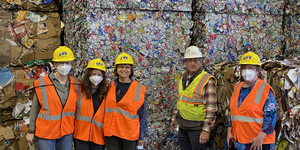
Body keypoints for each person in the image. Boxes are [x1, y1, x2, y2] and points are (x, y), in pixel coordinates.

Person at [26, 46, 82, 150]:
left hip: (66, 132)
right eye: (61, 63)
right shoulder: (42, 83)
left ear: (71, 64)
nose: (64, 66)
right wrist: (31, 131)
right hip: (45, 133)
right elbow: (34, 109)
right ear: (55, 64)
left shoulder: (77, 84)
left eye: (67, 63)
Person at [227, 52, 277, 150]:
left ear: (258, 71)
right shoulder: (237, 88)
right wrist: (229, 132)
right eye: (244, 68)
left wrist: (259, 138)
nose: (246, 71)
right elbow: (233, 114)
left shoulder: (265, 89)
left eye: (250, 68)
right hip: (239, 141)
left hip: (258, 143)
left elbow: (271, 118)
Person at [170, 46, 217, 150]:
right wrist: (174, 117)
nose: (192, 63)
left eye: (196, 60)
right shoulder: (183, 78)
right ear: (185, 62)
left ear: (201, 62)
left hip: (197, 129)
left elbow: (211, 109)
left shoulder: (207, 80)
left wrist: (206, 131)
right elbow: (181, 100)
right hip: (182, 127)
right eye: (189, 60)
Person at [103, 53, 148, 150]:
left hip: (129, 134)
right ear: (116, 69)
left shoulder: (138, 89)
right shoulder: (109, 86)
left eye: (127, 67)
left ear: (131, 70)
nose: (124, 70)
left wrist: (141, 135)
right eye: (121, 67)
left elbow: (142, 113)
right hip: (112, 133)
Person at [73, 58, 108, 150]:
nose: (96, 77)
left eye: (99, 74)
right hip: (81, 135)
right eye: (94, 74)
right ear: (88, 75)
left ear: (103, 76)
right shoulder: (80, 90)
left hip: (98, 136)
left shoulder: (107, 93)